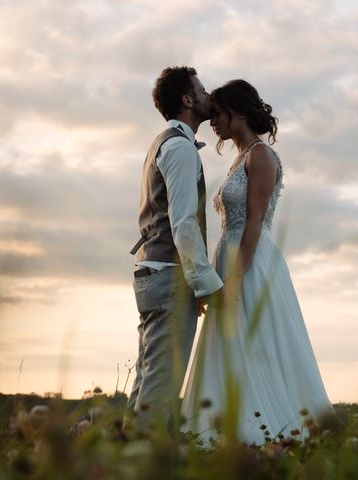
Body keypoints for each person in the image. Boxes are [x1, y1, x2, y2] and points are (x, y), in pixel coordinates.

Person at [181, 79, 333, 445]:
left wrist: (234, 279)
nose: (212, 120)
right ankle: (224, 429)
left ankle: (266, 435)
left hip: (250, 262)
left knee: (257, 345)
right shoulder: (239, 157)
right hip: (227, 259)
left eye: (217, 113)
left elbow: (254, 222)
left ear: (238, 110)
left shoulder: (260, 156)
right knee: (229, 347)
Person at [126, 66, 223, 432]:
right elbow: (183, 222)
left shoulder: (162, 143)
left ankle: (126, 460)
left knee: (147, 383)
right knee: (160, 389)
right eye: (201, 89)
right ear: (187, 100)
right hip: (167, 277)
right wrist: (206, 285)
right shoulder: (180, 148)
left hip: (153, 273)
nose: (207, 95)